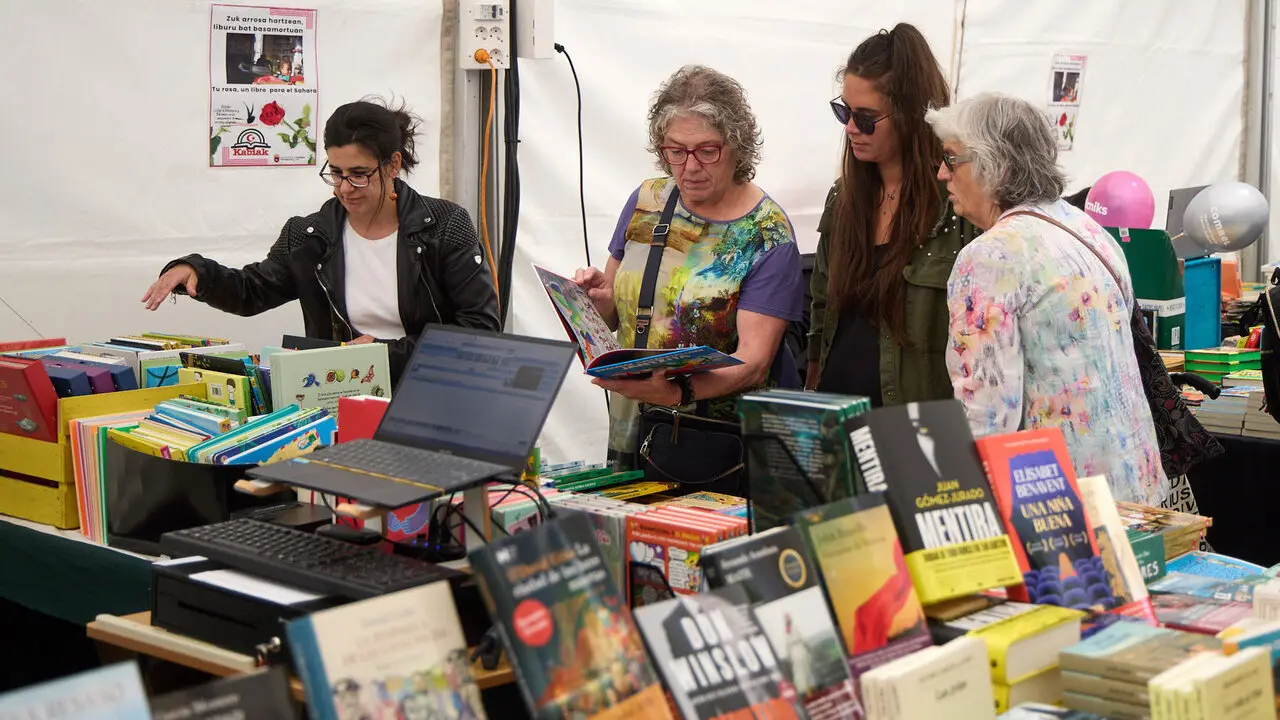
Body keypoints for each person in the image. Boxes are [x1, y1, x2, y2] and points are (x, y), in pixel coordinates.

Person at [141, 98, 501, 386]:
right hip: (340, 393)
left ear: (392, 165)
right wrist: (196, 271)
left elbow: (480, 332)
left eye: (359, 175)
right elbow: (252, 291)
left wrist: (384, 354)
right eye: (336, 173)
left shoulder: (444, 226)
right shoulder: (309, 235)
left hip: (430, 393)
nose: (344, 188)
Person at [927, 92, 1168, 506]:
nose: (941, 173)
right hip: (1138, 489)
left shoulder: (990, 256)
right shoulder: (1089, 229)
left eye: (951, 158)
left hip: (1062, 511)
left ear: (993, 165)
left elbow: (985, 414)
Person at [572, 65, 804, 484]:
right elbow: (617, 315)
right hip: (638, 424)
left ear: (737, 146)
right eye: (675, 151)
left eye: (706, 150)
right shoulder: (648, 200)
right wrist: (601, 301)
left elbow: (754, 363)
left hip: (718, 444)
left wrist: (681, 393)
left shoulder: (766, 234)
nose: (689, 166)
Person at [808, 24, 979, 406]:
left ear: (911, 115)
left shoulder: (960, 205)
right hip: (838, 425)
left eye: (866, 118)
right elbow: (821, 308)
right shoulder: (844, 198)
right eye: (844, 112)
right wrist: (811, 388)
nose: (851, 128)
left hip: (915, 433)